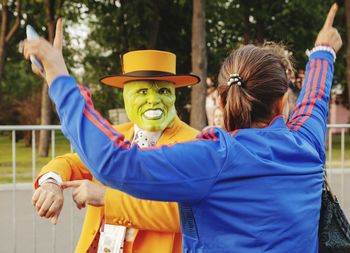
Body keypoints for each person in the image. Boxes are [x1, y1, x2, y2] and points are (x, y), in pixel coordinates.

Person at [24, 3, 342, 252]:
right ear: (282, 101)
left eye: (162, 90)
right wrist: (323, 53)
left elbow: (113, 162)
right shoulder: (307, 144)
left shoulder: (211, 156)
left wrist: (58, 78)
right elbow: (315, 98)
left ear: (222, 98)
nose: (153, 99)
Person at [31, 50, 200, 253]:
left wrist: (106, 198)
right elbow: (70, 162)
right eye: (143, 92)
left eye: (163, 91)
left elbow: (188, 214)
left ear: (174, 94)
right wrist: (52, 183)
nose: (154, 100)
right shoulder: (114, 135)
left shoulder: (195, 143)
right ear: (125, 96)